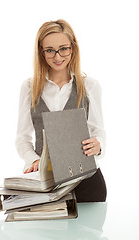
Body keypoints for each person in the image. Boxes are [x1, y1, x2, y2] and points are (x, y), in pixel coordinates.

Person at [15, 19, 107, 202]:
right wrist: (33, 160)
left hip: (87, 182)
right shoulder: (29, 87)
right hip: (46, 183)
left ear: (73, 48)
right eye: (50, 50)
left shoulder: (90, 86)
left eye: (63, 48)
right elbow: (22, 138)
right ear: (41, 52)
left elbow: (99, 132)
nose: (58, 57)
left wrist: (99, 146)